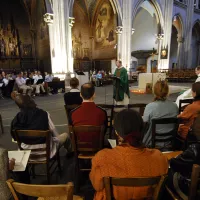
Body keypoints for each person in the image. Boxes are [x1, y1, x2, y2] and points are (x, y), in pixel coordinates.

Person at [90, 109, 168, 200]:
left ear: (116, 132)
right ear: (142, 129)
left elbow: (97, 186)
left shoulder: (103, 157)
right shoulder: (159, 158)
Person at [10, 92, 71, 161]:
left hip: (26, 155)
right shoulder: (44, 114)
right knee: (65, 136)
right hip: (46, 152)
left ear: (18, 106)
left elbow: (15, 138)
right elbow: (55, 134)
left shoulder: (16, 119)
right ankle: (71, 152)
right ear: (31, 101)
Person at [143, 80, 178, 150]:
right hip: (169, 142)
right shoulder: (175, 106)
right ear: (167, 91)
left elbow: (144, 125)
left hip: (151, 143)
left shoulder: (150, 106)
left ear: (154, 91)